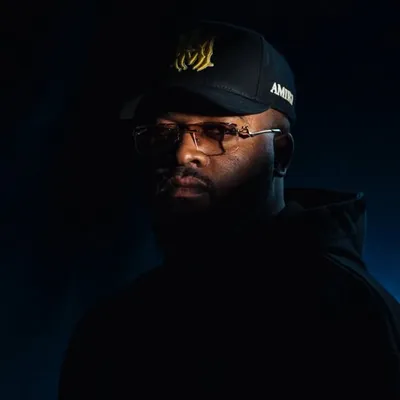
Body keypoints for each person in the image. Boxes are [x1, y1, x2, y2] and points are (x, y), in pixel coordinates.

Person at [59, 20, 400, 399]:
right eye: (163, 132)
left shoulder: (348, 319)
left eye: (218, 132)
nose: (183, 153)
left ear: (281, 154)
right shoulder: (115, 327)